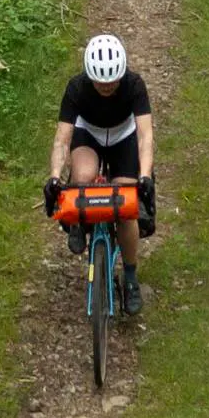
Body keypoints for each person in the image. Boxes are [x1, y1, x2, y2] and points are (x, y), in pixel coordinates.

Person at [49, 34, 155, 304]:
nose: (106, 87)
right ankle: (78, 223)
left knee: (127, 207)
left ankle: (130, 277)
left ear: (122, 74)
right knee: (82, 176)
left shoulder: (134, 85)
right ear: (89, 76)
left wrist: (144, 176)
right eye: (100, 83)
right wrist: (54, 177)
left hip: (124, 136)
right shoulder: (76, 88)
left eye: (112, 82)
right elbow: (62, 139)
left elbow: (144, 135)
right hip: (90, 133)